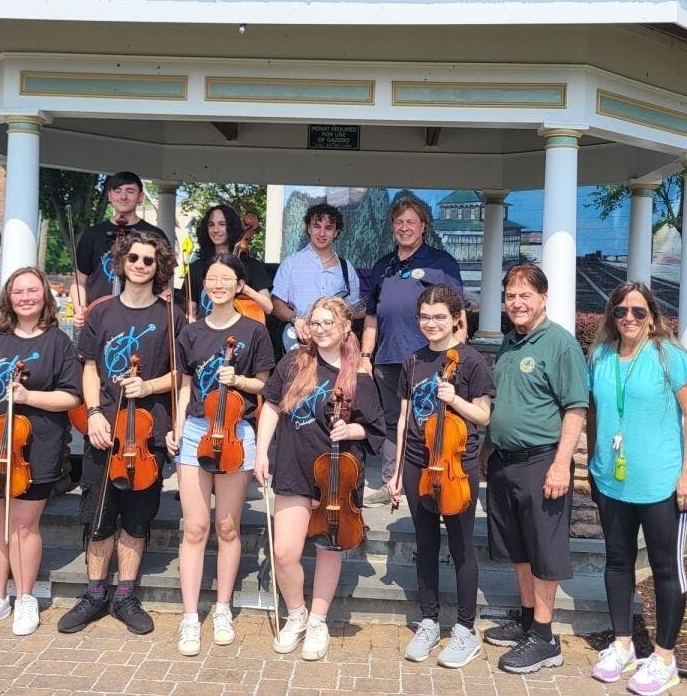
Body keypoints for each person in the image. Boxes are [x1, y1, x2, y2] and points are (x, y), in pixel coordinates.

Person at [59, 229, 183, 636]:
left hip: (147, 434)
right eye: (134, 259)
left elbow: (182, 375)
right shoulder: (101, 312)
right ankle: (95, 594)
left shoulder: (170, 315)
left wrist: (148, 387)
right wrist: (94, 412)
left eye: (149, 260)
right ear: (122, 262)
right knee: (99, 517)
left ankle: (125, 595)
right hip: (103, 430)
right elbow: (89, 366)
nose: (141, 266)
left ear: (158, 267)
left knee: (136, 520)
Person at [587, 282, 687, 695]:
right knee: (617, 562)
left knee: (666, 570)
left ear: (652, 315)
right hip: (612, 482)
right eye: (621, 311)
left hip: (660, 486)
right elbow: (595, 412)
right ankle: (622, 645)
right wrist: (593, 463)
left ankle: (665, 658)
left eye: (638, 311)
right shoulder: (600, 355)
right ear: (611, 316)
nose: (629, 319)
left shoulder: (670, 356)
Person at [254, 296, 385, 661]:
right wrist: (261, 452)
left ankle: (318, 621)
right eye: (316, 322)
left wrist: (350, 429)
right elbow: (271, 407)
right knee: (284, 552)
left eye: (330, 322)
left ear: (346, 328)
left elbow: (375, 429)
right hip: (294, 466)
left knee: (329, 548)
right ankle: (296, 614)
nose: (322, 329)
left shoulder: (358, 373)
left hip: (338, 475)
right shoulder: (295, 362)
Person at [0, 266, 81, 636]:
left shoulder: (59, 342)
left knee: (25, 525)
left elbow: (71, 396)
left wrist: (29, 397)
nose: (26, 297)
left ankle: (26, 597)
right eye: (18, 291)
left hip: (36, 448)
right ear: (8, 297)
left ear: (45, 295)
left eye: (33, 290)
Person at [482, 262, 588, 674]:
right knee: (519, 548)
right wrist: (488, 450)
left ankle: (545, 637)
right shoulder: (510, 343)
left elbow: (575, 407)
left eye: (525, 295)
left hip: (543, 462)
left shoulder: (559, 344)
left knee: (544, 550)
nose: (516, 302)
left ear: (543, 298)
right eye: (510, 295)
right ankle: (528, 619)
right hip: (506, 463)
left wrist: (562, 465)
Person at [168, 254, 275, 655]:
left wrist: (241, 379)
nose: (217, 285)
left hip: (236, 431)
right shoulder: (192, 332)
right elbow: (184, 386)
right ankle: (190, 617)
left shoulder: (254, 330)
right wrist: (177, 428)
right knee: (195, 527)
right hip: (196, 428)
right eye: (211, 279)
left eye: (225, 279)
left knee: (228, 527)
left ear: (238, 284)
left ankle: (224, 607)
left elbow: (264, 385)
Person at [386, 285, 493, 669]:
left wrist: (455, 400)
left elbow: (483, 416)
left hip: (455, 466)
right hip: (417, 463)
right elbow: (402, 420)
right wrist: (396, 472)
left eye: (439, 317)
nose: (431, 324)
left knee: (462, 545)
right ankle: (429, 621)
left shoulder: (471, 362)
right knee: (426, 543)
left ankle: (466, 628)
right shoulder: (413, 361)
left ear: (455, 318)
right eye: (425, 317)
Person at [360, 197, 463, 504]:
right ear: (393, 227)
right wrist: (366, 356)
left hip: (432, 359)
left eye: (410, 222)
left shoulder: (441, 263)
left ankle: (432, 481)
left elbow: (458, 313)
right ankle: (394, 482)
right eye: (399, 223)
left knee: (432, 419)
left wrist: (459, 354)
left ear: (423, 227)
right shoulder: (384, 266)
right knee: (393, 422)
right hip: (388, 359)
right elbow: (371, 316)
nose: (404, 228)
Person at [71, 171, 168, 324]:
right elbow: (79, 282)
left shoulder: (155, 235)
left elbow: (164, 286)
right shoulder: (92, 234)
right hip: (98, 317)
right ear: (110, 196)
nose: (123, 197)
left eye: (130, 191)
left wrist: (159, 316)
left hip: (141, 316)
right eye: (118, 191)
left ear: (140, 197)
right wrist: (80, 310)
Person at [271, 203, 361, 349]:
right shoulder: (291, 263)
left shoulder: (346, 268)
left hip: (335, 345)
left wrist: (378, 303)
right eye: (317, 226)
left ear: (336, 232)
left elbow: (353, 309)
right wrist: (296, 320)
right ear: (308, 228)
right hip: (301, 341)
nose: (322, 233)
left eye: (329, 228)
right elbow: (276, 304)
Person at [186, 204, 273, 321]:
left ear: (231, 227)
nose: (215, 230)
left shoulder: (251, 265)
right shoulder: (196, 267)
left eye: (222, 224)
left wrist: (244, 289)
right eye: (211, 225)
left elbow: (268, 307)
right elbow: (192, 311)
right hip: (206, 336)